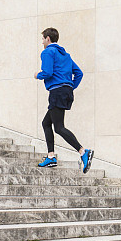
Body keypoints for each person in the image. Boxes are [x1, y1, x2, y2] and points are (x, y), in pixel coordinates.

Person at [35, 27, 94, 173]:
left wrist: (38, 75)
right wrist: (69, 87)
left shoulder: (48, 51)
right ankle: (51, 157)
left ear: (48, 38)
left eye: (43, 39)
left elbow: (47, 72)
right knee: (46, 123)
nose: (42, 42)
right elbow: (79, 73)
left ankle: (82, 151)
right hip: (65, 92)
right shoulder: (66, 55)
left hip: (57, 92)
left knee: (59, 127)